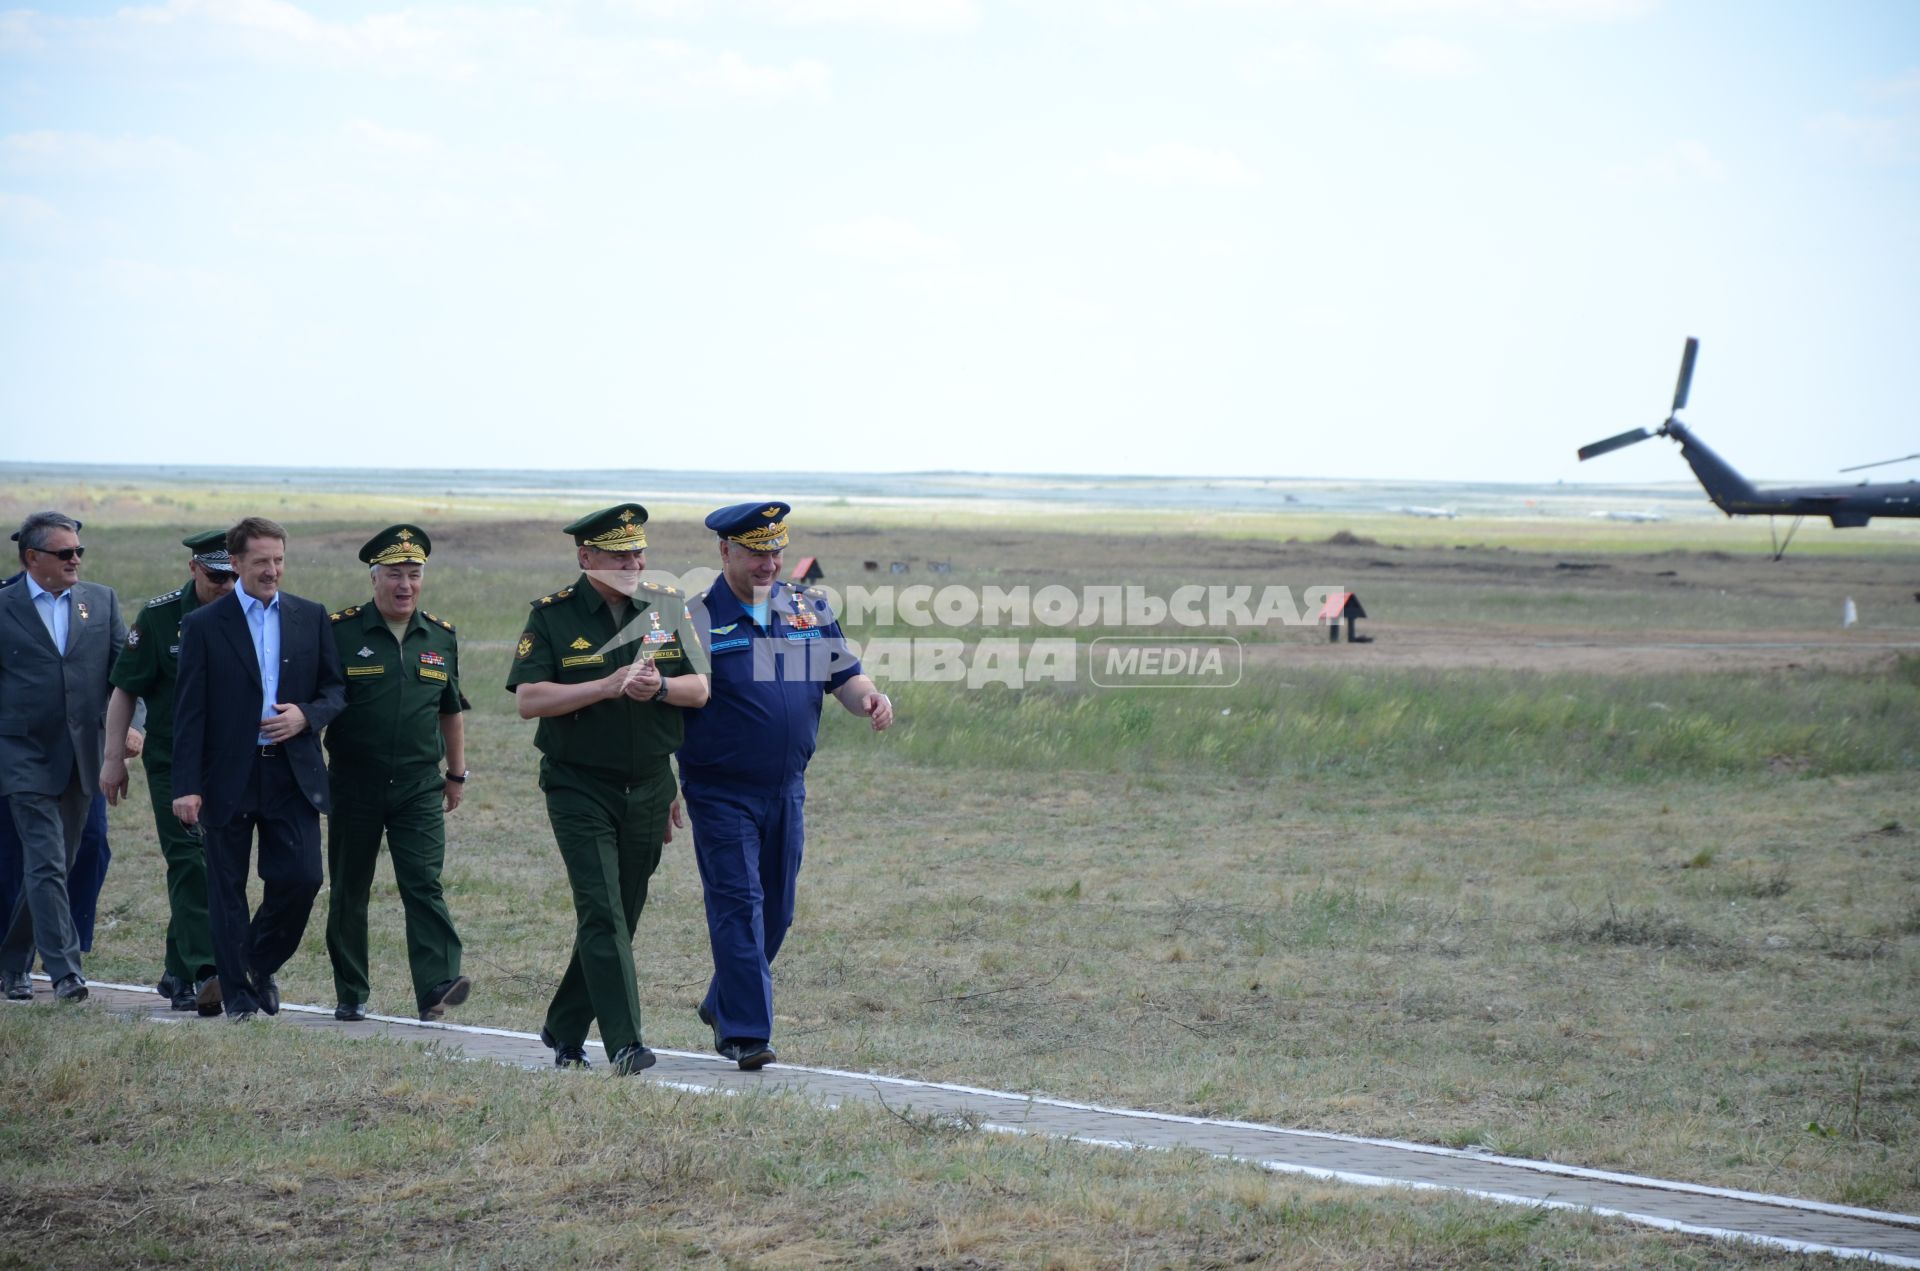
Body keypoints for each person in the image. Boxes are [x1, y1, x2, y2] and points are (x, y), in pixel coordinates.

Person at [677, 501, 893, 1069]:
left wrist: (868, 697)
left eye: (776, 550)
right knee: (739, 904)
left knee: (778, 910)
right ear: (725, 551)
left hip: (786, 789)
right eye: (755, 551)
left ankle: (725, 997)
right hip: (719, 789)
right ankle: (746, 1034)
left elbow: (843, 675)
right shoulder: (692, 618)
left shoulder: (808, 608)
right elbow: (666, 707)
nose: (769, 562)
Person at [507, 504, 708, 1075]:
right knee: (602, 912)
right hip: (578, 786)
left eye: (638, 553)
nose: (632, 563)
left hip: (648, 785)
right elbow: (529, 700)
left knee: (623, 915)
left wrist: (659, 687)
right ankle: (625, 1044)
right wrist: (604, 687)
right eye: (619, 554)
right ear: (586, 557)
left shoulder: (666, 609)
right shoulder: (553, 616)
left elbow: (700, 690)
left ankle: (565, 1025)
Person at [171, 517, 346, 1021]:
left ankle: (254, 964)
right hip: (227, 776)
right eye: (261, 561)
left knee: (303, 878)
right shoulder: (204, 625)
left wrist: (306, 716)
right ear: (238, 562)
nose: (272, 570)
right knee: (225, 891)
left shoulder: (310, 617)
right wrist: (186, 786)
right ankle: (241, 1002)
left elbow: (336, 691)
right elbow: (189, 714)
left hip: (292, 773)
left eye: (279, 560)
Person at [323, 524, 472, 1023]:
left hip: (418, 785)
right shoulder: (339, 631)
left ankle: (436, 986)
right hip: (354, 782)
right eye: (394, 574)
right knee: (349, 887)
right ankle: (351, 991)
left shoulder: (441, 636)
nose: (405, 584)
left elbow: (450, 710)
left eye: (414, 574)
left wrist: (456, 774)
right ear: (374, 578)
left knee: (423, 883)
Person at [100, 530, 236, 1013]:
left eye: (234, 575)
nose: (227, 585)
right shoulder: (159, 618)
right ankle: (207, 971)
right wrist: (114, 758)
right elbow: (124, 689)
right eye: (218, 575)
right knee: (188, 859)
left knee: (215, 863)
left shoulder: (248, 611)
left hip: (229, 763)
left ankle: (176, 972)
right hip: (173, 763)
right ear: (194, 569)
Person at [0, 511, 127, 1004]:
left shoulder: (101, 600)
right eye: (64, 553)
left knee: (62, 862)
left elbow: (126, 676)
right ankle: (65, 973)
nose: (75, 560)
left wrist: (131, 731)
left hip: (84, 754)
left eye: (79, 552)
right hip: (21, 753)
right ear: (32, 558)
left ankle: (12, 962)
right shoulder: (5, 606)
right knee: (46, 859)